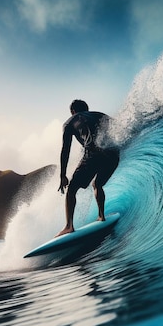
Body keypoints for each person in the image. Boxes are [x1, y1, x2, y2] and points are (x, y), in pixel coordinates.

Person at [56, 99, 120, 237]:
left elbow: (65, 149)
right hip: (113, 152)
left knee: (72, 188)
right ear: (87, 108)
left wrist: (63, 175)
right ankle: (101, 216)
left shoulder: (69, 122)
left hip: (94, 152)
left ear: (72, 111)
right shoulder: (100, 115)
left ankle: (69, 226)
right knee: (97, 184)